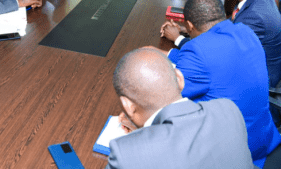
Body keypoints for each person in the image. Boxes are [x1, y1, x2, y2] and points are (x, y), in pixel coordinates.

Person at [166, 0, 281, 168]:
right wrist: (170, 54)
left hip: (233, 153)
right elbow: (217, 64)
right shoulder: (245, 31)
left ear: (189, 25)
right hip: (262, 137)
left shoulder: (197, 49)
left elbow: (168, 95)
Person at [106, 47, 255, 169]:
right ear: (180, 79)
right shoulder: (227, 109)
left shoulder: (125, 156)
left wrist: (139, 135)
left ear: (128, 106)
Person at [223, 0, 281, 87]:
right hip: (254, 64)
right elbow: (231, 23)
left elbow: (227, 56)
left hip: (256, 81)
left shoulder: (254, 16)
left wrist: (181, 40)